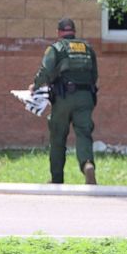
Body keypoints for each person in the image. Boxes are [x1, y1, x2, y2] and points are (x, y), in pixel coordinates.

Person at [29, 18, 99, 185]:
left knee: (58, 137)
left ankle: (57, 178)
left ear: (59, 33)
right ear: (74, 31)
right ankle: (87, 164)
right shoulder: (88, 48)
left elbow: (45, 71)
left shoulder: (56, 48)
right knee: (84, 133)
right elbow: (94, 76)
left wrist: (35, 85)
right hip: (85, 97)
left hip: (63, 98)